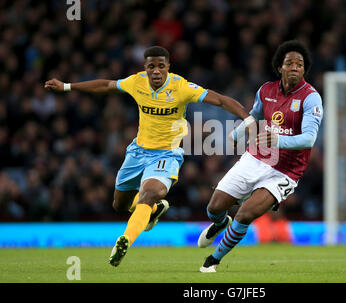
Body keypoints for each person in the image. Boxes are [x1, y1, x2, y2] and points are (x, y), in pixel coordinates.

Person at [44, 46, 251, 267]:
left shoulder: (180, 87)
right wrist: (67, 86)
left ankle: (124, 240)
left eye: (161, 66)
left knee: (151, 192)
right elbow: (106, 85)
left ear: (168, 67)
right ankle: (153, 210)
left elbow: (219, 100)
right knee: (120, 205)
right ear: (145, 67)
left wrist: (247, 119)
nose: (156, 71)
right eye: (151, 66)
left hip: (166, 154)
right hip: (137, 151)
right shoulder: (136, 82)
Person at [197, 40, 323, 273]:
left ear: (304, 69)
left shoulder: (311, 98)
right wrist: (236, 134)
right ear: (280, 67)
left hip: (285, 171)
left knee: (246, 214)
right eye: (290, 63)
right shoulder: (266, 90)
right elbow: (254, 116)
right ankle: (220, 222)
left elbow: (309, 139)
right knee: (214, 207)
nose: (295, 67)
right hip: (255, 158)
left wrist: (278, 140)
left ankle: (213, 260)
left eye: (300, 64)